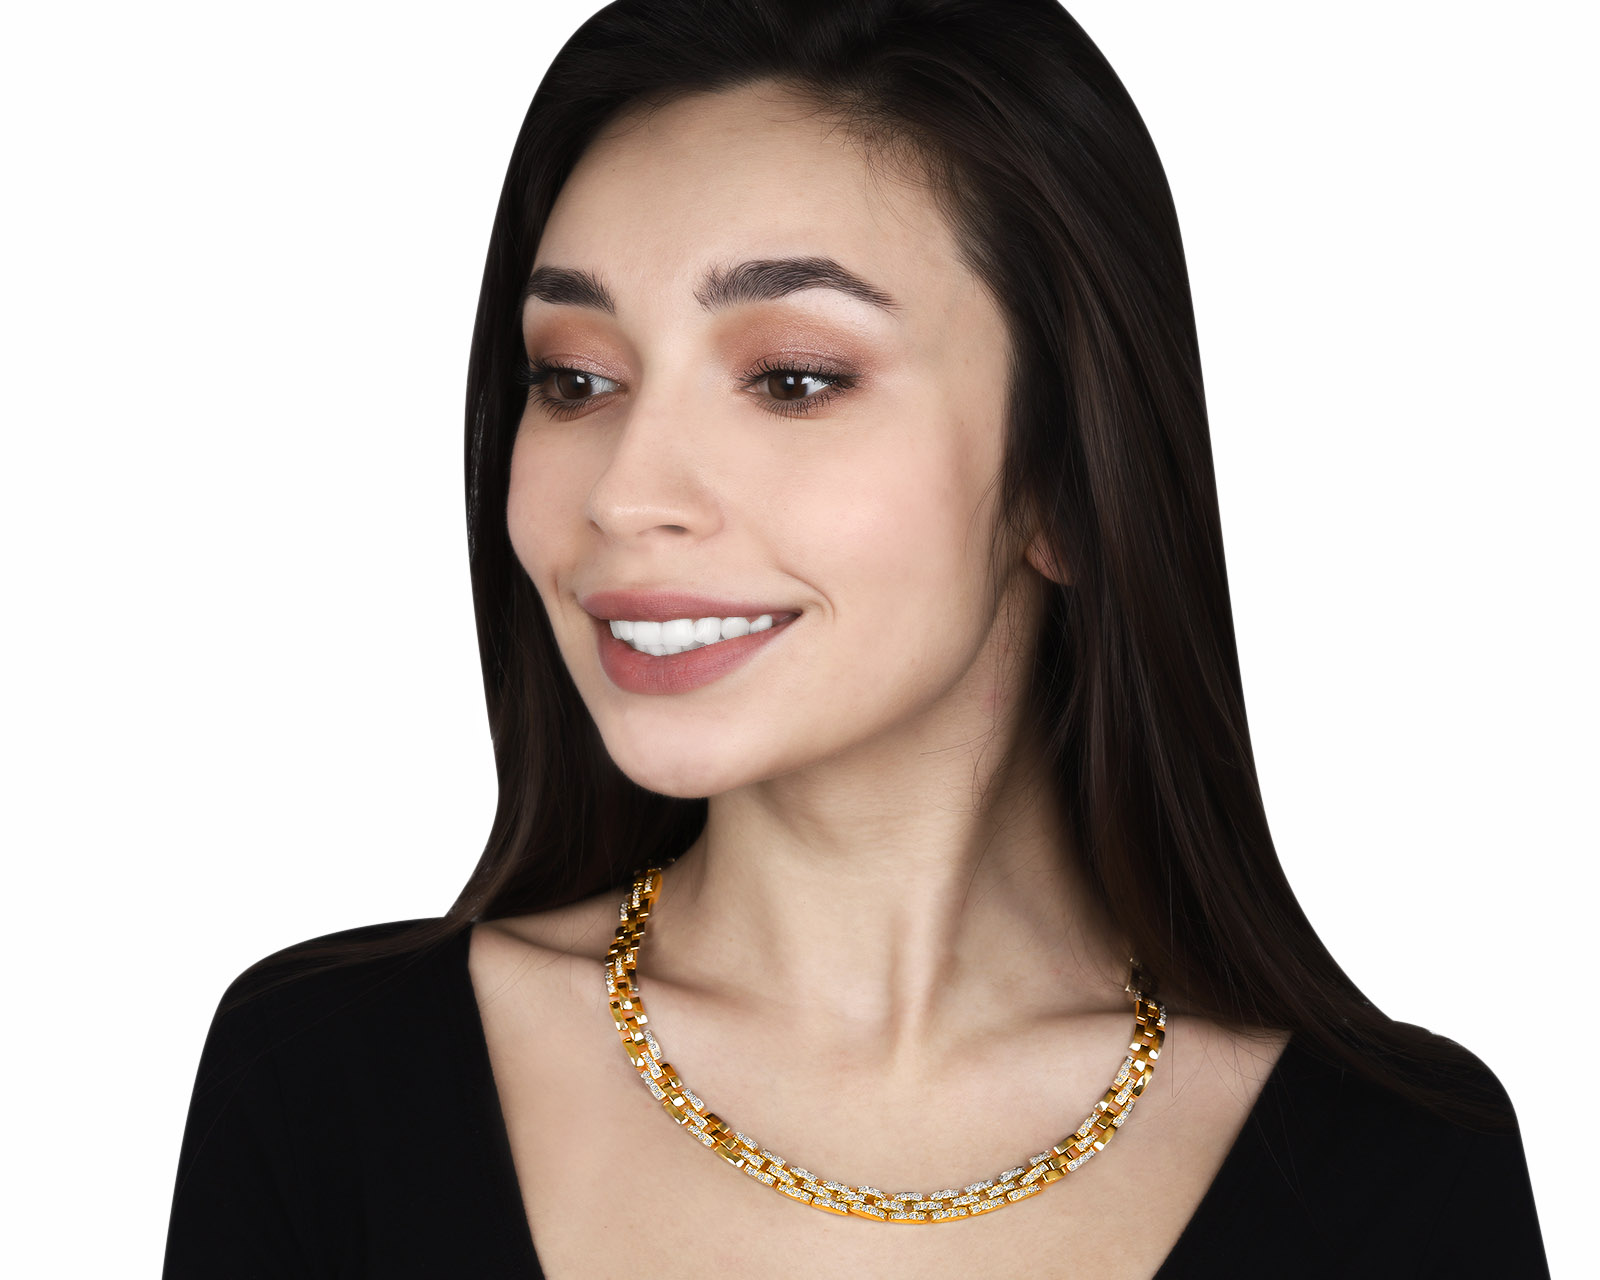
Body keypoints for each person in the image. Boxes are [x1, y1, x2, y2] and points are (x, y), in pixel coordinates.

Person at [161, 1, 1549, 1275]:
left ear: (1065, 483)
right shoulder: (325, 1084)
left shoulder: (1400, 1172)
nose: (624, 494)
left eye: (793, 380)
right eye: (573, 379)